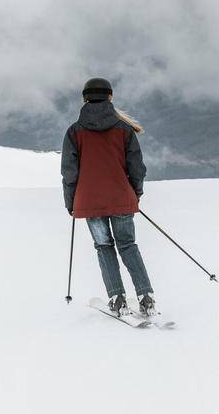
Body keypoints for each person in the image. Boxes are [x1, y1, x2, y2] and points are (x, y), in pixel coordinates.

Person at [60, 77, 157, 317]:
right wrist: (134, 194)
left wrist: (71, 202)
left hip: (90, 202)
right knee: (128, 245)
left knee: (104, 247)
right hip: (121, 198)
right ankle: (146, 297)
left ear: (84, 98)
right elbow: (137, 168)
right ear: (110, 97)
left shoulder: (74, 132)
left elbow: (69, 172)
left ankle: (117, 298)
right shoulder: (123, 130)